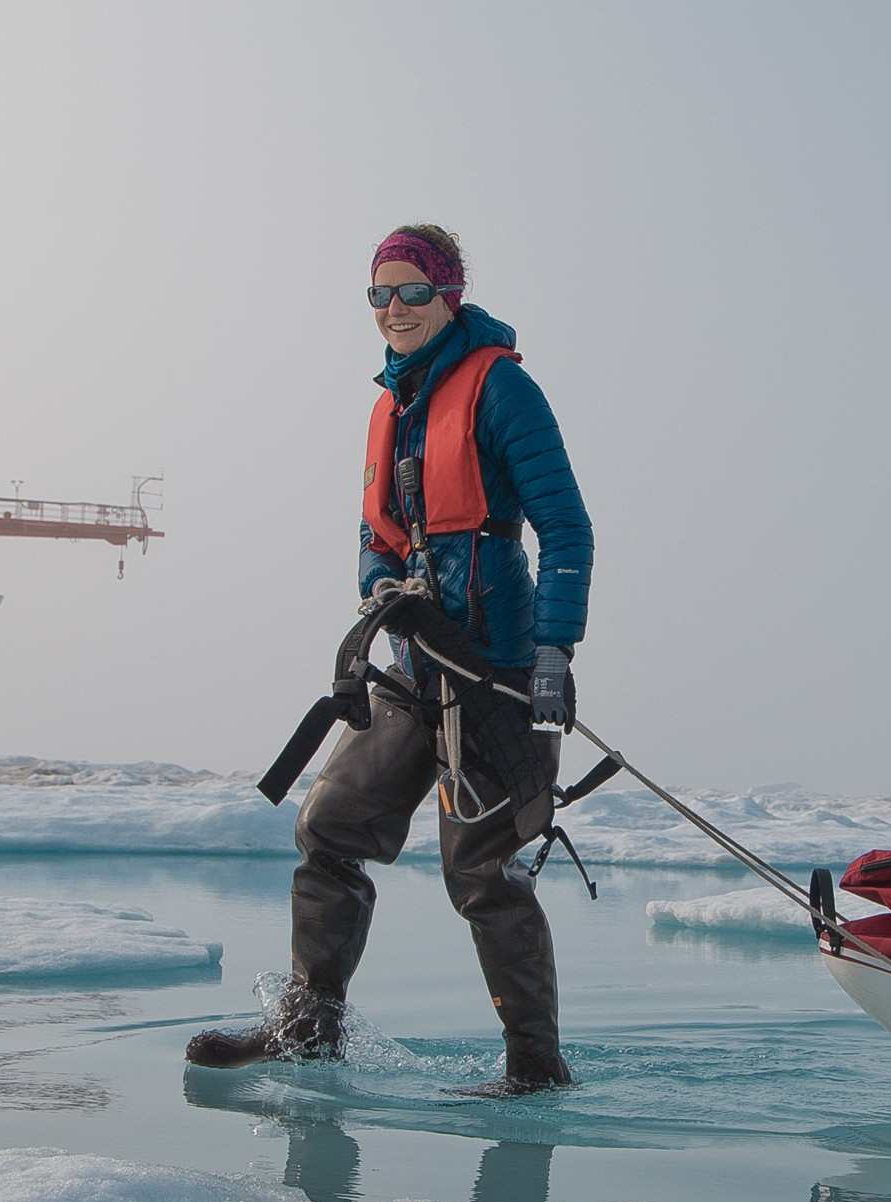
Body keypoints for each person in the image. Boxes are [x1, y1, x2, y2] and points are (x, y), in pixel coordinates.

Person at [188, 225, 595, 1093]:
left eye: (414, 291)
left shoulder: (503, 389)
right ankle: (308, 1030)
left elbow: (566, 528)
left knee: (481, 869)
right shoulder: (389, 406)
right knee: (329, 829)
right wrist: (379, 589)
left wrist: (555, 652)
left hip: (496, 673)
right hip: (410, 670)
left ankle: (534, 1065)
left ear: (450, 293)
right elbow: (378, 534)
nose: (396, 310)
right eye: (381, 295)